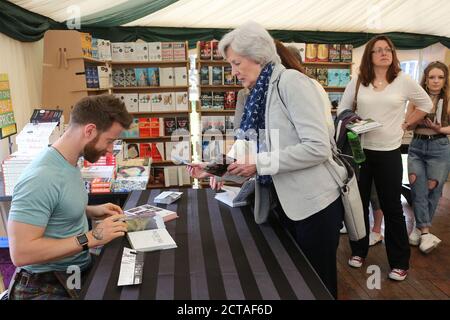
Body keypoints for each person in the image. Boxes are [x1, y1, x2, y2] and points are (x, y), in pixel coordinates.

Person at [187, 21, 345, 298]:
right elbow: (249, 144)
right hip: (284, 203)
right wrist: (215, 169)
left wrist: (260, 164)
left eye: (236, 63)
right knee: (294, 281)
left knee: (317, 284)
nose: (233, 71)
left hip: (314, 206)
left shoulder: (291, 83)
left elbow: (317, 147)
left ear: (258, 56)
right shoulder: (259, 93)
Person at [7, 94, 133, 299]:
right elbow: (21, 253)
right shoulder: (41, 177)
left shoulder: (68, 161)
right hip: (45, 285)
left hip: (73, 274)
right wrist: (92, 237)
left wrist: (91, 211)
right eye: (109, 141)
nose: (110, 150)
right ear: (90, 130)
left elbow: (55, 206)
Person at [337, 35, 433, 281]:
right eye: (378, 50)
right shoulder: (359, 80)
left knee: (392, 208)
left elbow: (426, 104)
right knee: (358, 206)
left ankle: (400, 263)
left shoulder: (403, 80)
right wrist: (353, 120)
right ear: (370, 56)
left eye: (387, 49)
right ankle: (358, 251)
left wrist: (407, 123)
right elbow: (342, 109)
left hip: (389, 152)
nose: (384, 53)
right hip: (359, 152)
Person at [405, 61, 450, 253]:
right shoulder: (416, 98)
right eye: (432, 77)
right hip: (416, 145)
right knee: (418, 188)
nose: (436, 81)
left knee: (433, 190)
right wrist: (417, 118)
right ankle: (425, 233)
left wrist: (439, 128)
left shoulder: (448, 99)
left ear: (445, 79)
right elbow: (407, 124)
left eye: (440, 77)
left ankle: (419, 228)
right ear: (425, 79)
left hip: (439, 146)